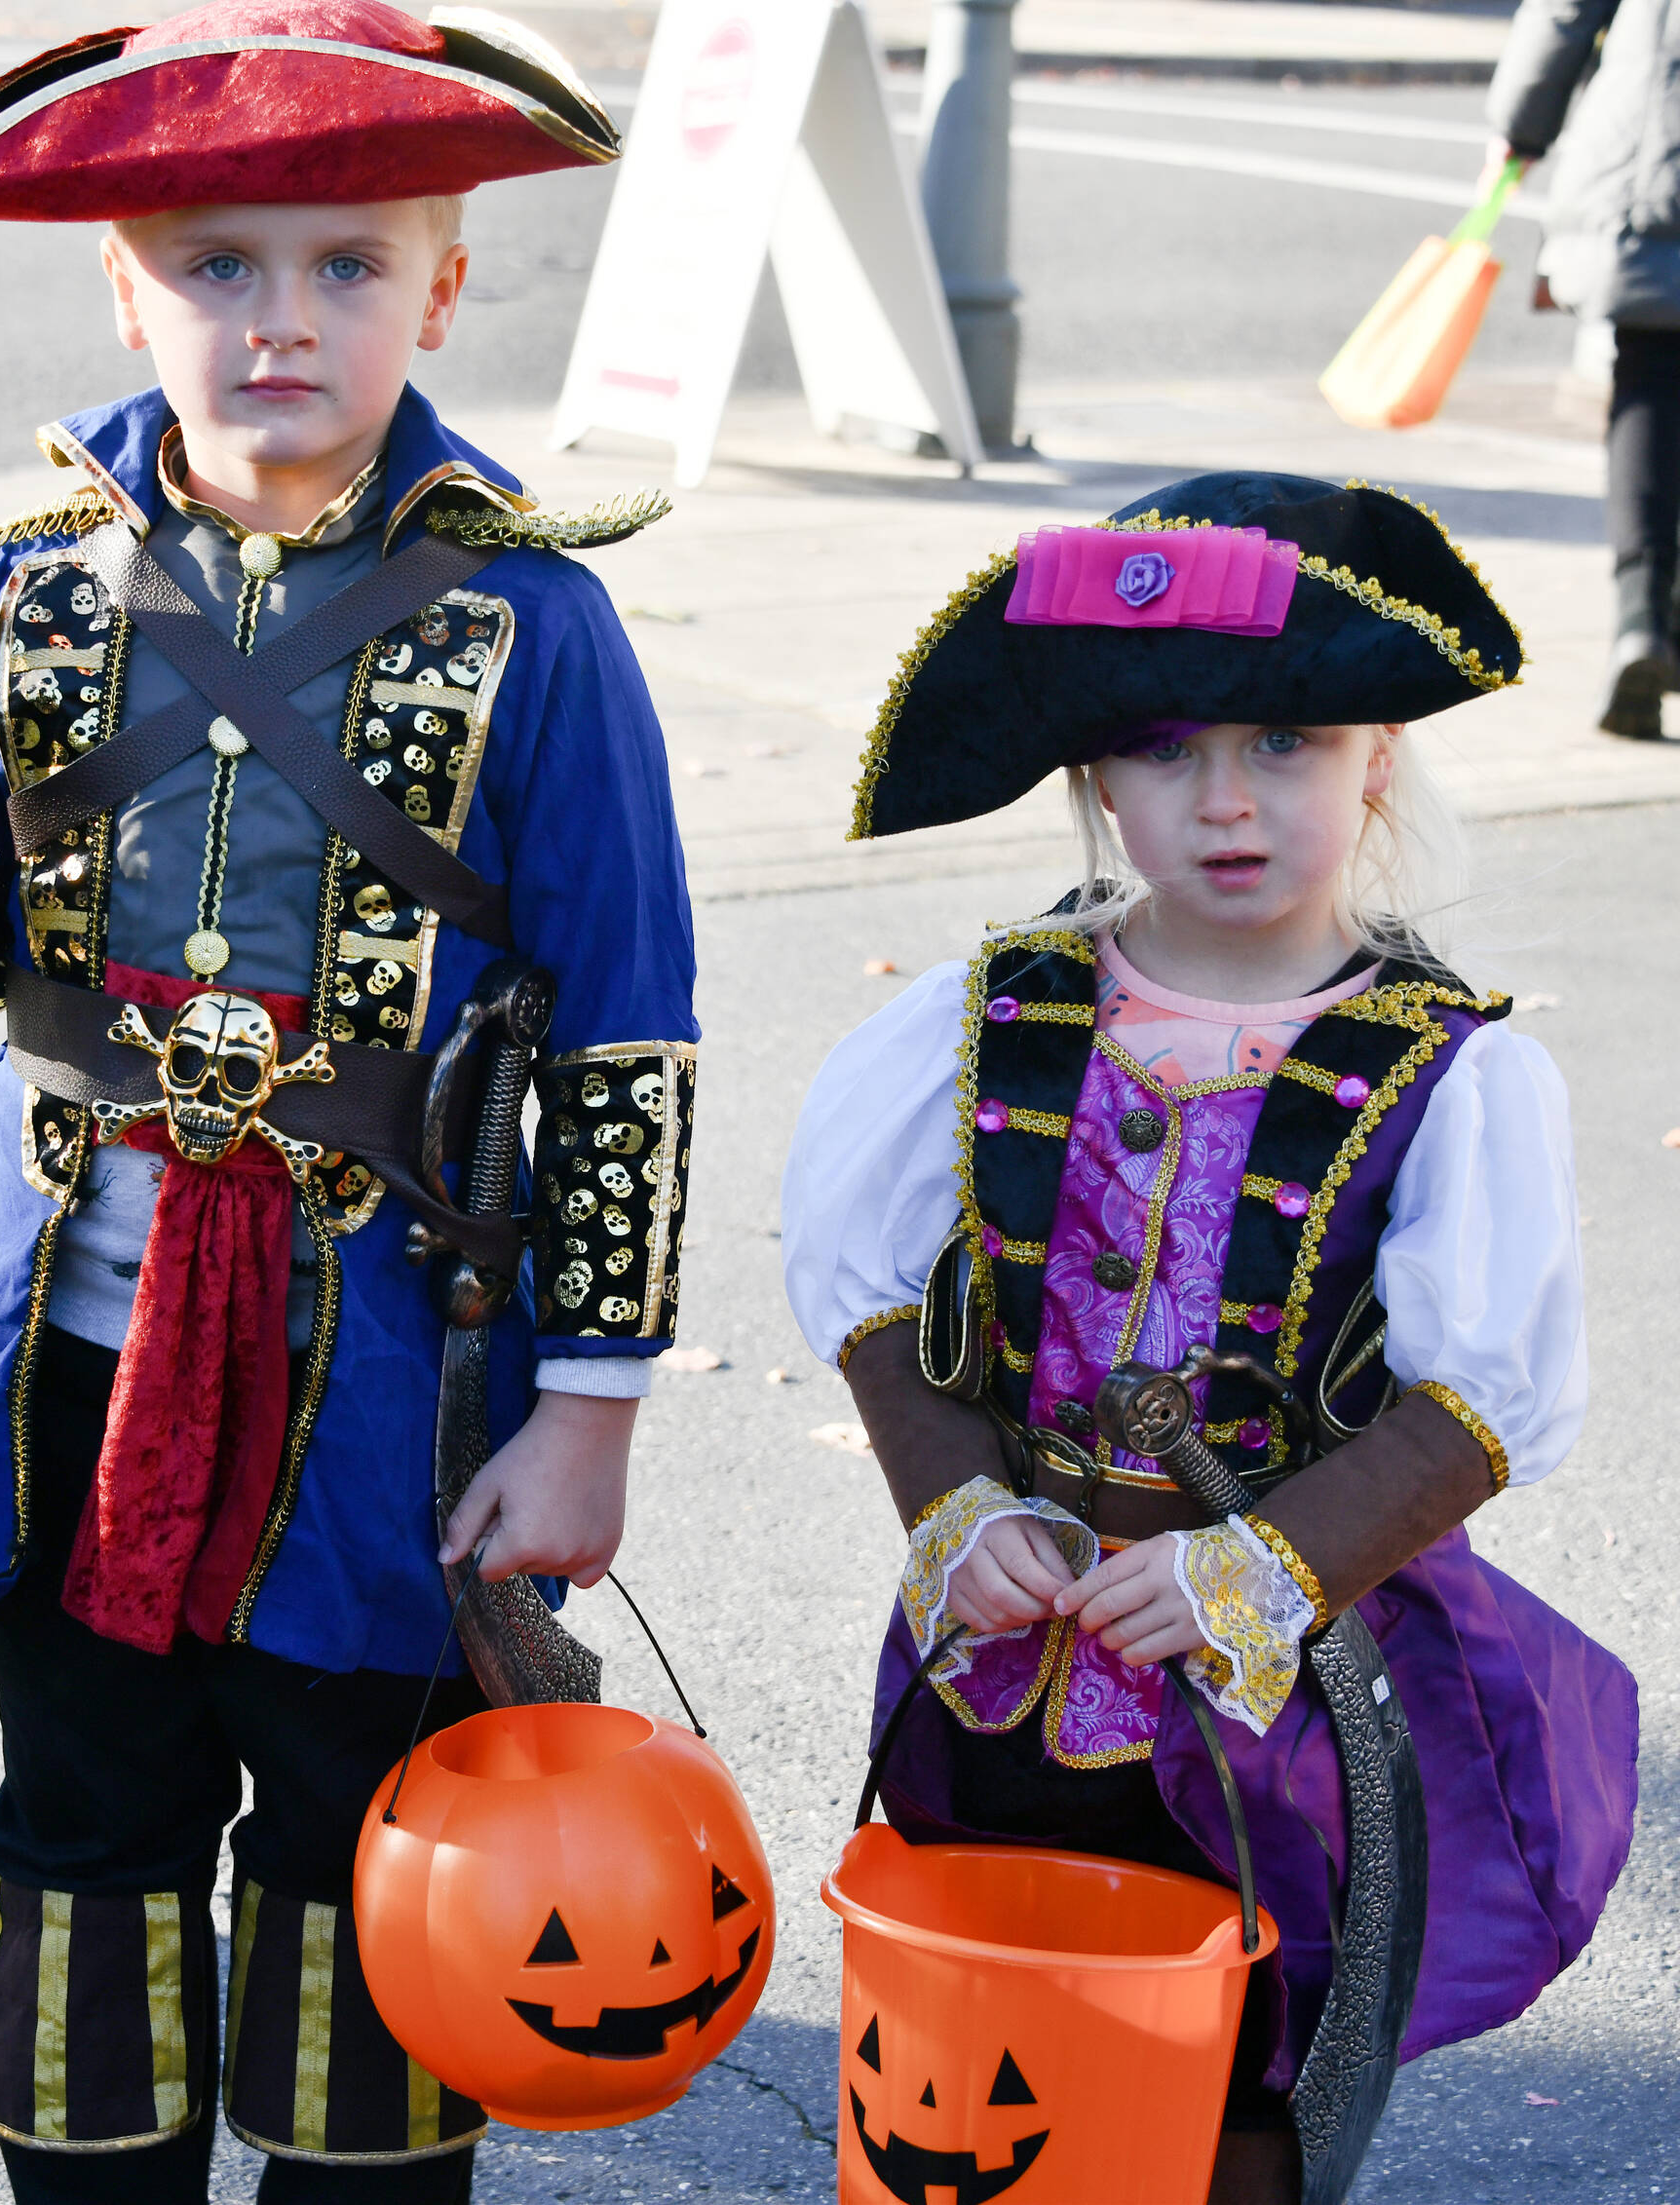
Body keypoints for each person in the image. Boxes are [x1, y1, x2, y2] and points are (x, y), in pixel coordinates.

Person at [0, 5, 698, 2198]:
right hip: (63, 1359)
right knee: (80, 1827)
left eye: (347, 264)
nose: (281, 316)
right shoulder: (39, 583)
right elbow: (1, 974)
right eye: (217, 263)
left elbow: (629, 1033)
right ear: (121, 282)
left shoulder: (538, 627)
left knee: (365, 1854)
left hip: (387, 1381)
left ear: (442, 288)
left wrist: (595, 1403)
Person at [782, 476, 1637, 2204]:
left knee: (1241, 2075)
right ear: (1095, 774)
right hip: (1004, 1657)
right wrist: (956, 1506)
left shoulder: (1445, 1071)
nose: (1225, 800)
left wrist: (1254, 1569)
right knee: (991, 2048)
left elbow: (1476, 1404)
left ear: (1375, 755)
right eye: (1164, 749)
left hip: (1285, 1691)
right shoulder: (984, 1017)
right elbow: (876, 1305)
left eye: (1286, 743)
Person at [1484, 0, 1680, 738]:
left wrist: (1521, 124)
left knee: (1651, 378)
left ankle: (1640, 619)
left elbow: (1567, 9)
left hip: (1659, 131)